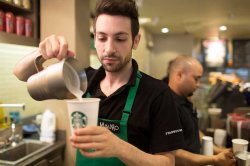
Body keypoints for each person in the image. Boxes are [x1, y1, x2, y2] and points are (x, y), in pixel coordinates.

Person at [13, 0, 184, 165]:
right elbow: (21, 74)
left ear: (136, 40)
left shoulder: (157, 93)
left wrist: (120, 148)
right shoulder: (82, 80)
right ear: (95, 39)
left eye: (120, 39)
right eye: (102, 38)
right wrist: (42, 53)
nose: (109, 49)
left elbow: (167, 162)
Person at [167, 55, 236, 166]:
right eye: (196, 79)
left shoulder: (183, 99)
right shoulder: (166, 105)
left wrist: (218, 150)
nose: (198, 85)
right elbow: (174, 154)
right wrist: (214, 160)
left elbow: (193, 130)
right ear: (179, 75)